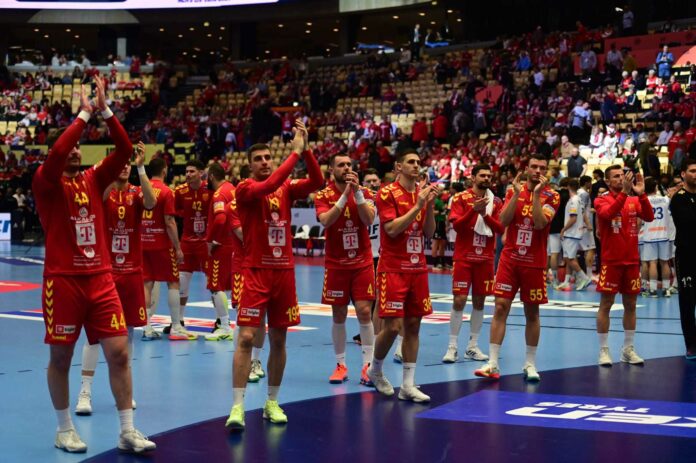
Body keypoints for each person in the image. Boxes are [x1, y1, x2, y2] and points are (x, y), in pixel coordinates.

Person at [33, 77, 155, 453]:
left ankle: (127, 431)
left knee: (119, 352)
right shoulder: (45, 181)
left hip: (100, 278)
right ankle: (64, 429)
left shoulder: (93, 178)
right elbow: (57, 152)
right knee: (61, 356)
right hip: (63, 281)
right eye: (69, 147)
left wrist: (105, 111)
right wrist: (83, 115)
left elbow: (125, 149)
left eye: (77, 147)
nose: (74, 151)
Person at [226, 120, 323, 430]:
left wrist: (306, 151)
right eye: (259, 159)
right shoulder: (245, 189)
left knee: (279, 340)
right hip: (256, 272)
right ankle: (237, 407)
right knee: (246, 338)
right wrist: (294, 154)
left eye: (268, 157)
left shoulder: (286, 188)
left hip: (284, 273)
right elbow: (267, 186)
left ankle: (272, 402)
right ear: (249, 165)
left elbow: (318, 181)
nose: (265, 162)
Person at [75, 141, 156, 416]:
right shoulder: (104, 191)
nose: (124, 167)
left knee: (128, 332)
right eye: (118, 163)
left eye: (127, 163)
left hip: (131, 272)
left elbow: (151, 202)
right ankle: (85, 392)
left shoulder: (136, 192)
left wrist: (141, 168)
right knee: (94, 335)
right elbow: (96, 196)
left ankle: (125, 391)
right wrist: (109, 173)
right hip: (105, 273)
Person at [475, 155, 560, 382]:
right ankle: (493, 363)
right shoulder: (514, 191)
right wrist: (516, 194)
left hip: (534, 262)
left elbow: (540, 223)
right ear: (527, 169)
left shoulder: (552, 195)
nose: (538, 170)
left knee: (532, 312)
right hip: (510, 260)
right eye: (534, 166)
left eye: (542, 167)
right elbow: (503, 221)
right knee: (500, 307)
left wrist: (535, 195)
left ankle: (530, 363)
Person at [366, 149, 438, 403]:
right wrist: (418, 205)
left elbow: (429, 233)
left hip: (418, 268)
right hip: (393, 268)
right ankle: (375, 369)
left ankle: (408, 385)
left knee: (413, 326)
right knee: (393, 326)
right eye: (411, 162)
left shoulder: (422, 194)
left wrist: (429, 206)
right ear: (399, 167)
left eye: (419, 162)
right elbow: (391, 229)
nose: (416, 165)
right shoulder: (387, 193)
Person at [315, 153, 376, 386]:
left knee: (364, 311)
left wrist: (356, 192)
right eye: (341, 165)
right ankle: (340, 365)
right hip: (336, 263)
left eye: (349, 164)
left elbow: (368, 219)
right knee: (339, 314)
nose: (347, 168)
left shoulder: (366, 193)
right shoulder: (323, 195)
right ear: (332, 170)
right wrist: (344, 196)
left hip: (362, 262)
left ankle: (368, 366)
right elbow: (326, 220)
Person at [594, 166, 654, 366]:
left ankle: (627, 349)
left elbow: (649, 216)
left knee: (631, 305)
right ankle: (604, 350)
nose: (621, 178)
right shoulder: (601, 200)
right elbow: (609, 214)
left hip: (631, 261)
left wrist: (642, 194)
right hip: (611, 262)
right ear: (607, 181)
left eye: (622, 175)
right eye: (616, 176)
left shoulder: (633, 200)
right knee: (606, 305)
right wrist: (625, 193)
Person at [443, 164, 503, 363]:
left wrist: (484, 214)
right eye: (482, 175)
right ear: (473, 177)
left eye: (489, 176)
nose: (486, 178)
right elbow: (457, 227)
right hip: (464, 257)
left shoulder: (495, 201)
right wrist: (473, 211)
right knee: (459, 300)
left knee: (480, 302)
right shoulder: (460, 198)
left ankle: (472, 346)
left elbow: (500, 228)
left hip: (485, 259)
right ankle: (452, 347)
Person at [141, 157, 190, 340]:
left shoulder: (141, 190)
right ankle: (176, 326)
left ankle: (147, 328)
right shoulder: (166, 191)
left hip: (143, 243)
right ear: (164, 170)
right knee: (173, 282)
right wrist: (177, 247)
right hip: (162, 244)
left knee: (147, 283)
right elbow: (169, 221)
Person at [173, 160, 210, 334]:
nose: (188, 174)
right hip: (187, 242)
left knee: (213, 282)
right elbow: (173, 212)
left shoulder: (210, 189)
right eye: (186, 171)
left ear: (201, 173)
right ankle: (179, 320)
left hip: (206, 242)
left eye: (192, 171)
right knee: (182, 281)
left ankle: (221, 321)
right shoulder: (180, 191)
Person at [204, 162, 236, 341]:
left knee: (216, 286)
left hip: (222, 246)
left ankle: (224, 326)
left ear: (211, 176)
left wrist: (211, 240)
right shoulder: (233, 189)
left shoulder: (219, 194)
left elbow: (220, 219)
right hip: (234, 243)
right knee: (231, 286)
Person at [670, 159, 696, 359]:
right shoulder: (678, 198)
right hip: (687, 256)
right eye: (693, 171)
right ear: (683, 174)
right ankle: (691, 345)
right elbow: (687, 223)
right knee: (687, 302)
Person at [557, 178, 593, 291]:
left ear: (568, 187)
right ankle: (566, 281)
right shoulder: (578, 199)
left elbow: (573, 218)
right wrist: (588, 224)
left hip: (572, 233)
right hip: (574, 233)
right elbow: (583, 214)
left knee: (570, 258)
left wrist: (563, 229)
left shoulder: (574, 200)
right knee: (567, 257)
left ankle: (584, 278)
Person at [641, 177, 674, 297]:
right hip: (663, 234)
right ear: (656, 188)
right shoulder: (665, 199)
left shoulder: (643, 200)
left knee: (652, 263)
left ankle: (653, 289)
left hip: (649, 235)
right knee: (665, 263)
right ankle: (666, 289)